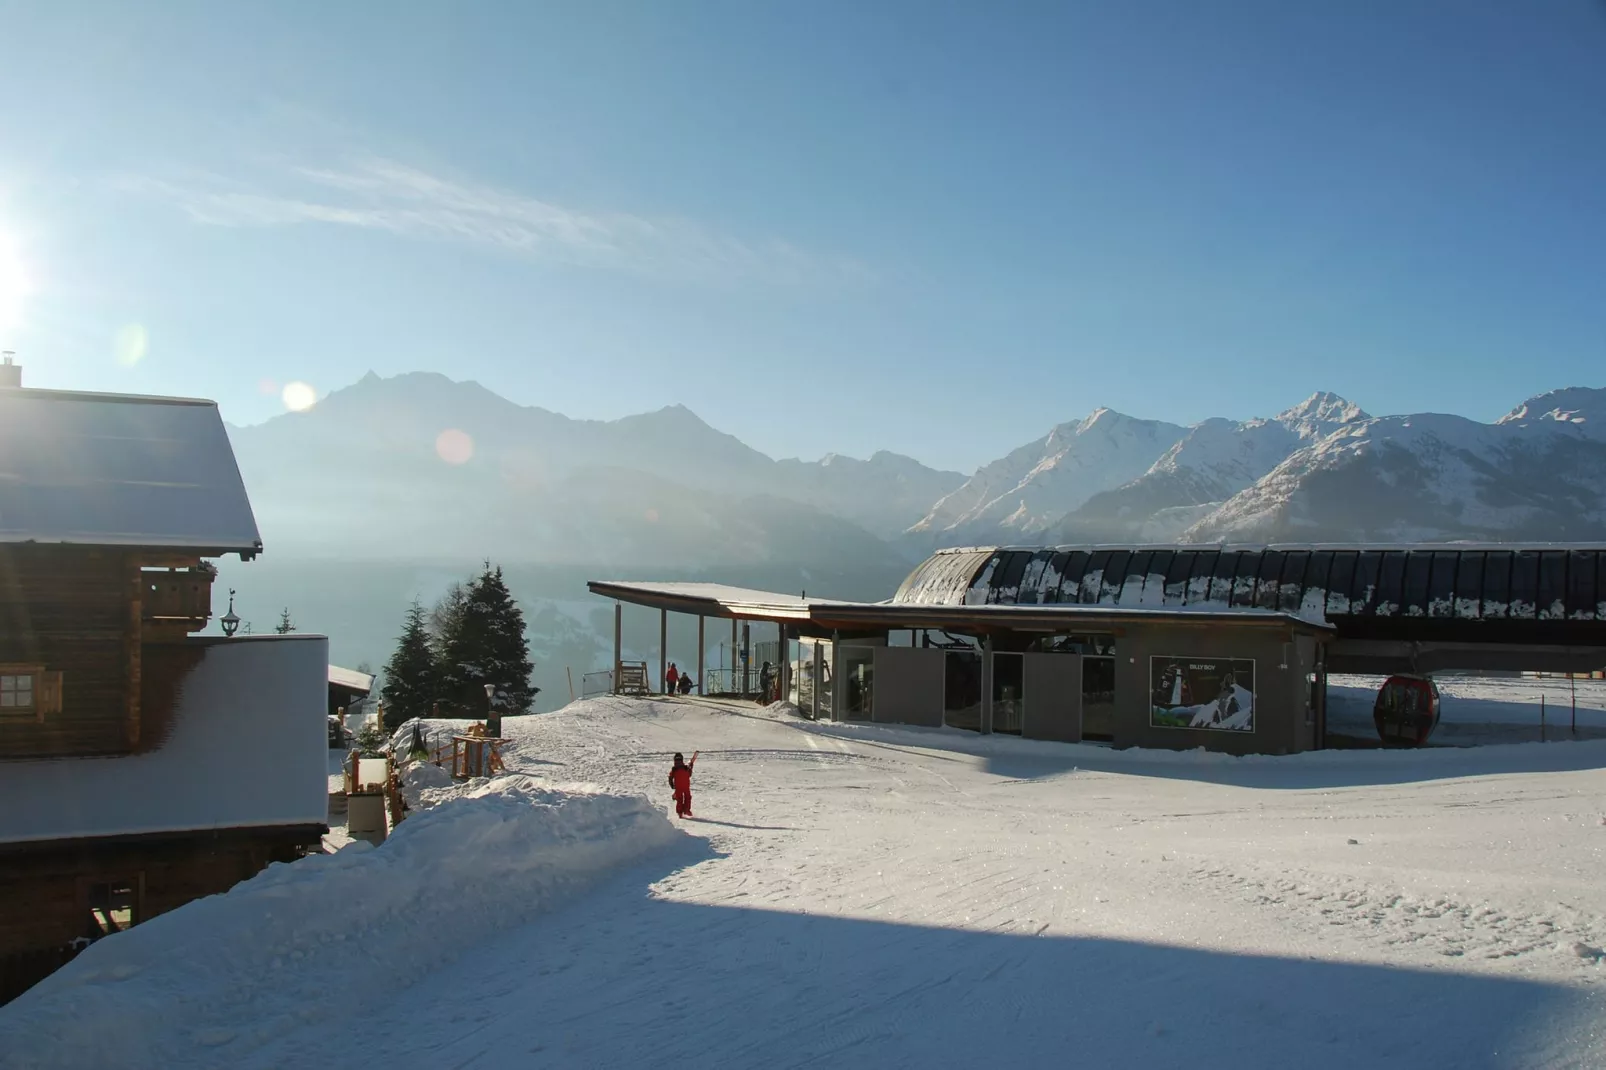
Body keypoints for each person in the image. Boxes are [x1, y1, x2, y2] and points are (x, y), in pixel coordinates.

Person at [667, 750, 698, 817]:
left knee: (679, 799)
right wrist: (691, 766)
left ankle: (680, 812)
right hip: (686, 786)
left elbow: (670, 777)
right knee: (687, 797)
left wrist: (672, 785)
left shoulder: (674, 769)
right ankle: (686, 810)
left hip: (678, 787)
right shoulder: (686, 767)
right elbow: (689, 774)